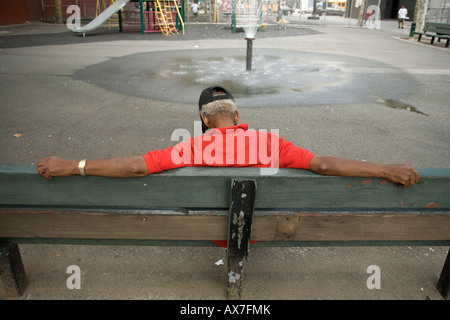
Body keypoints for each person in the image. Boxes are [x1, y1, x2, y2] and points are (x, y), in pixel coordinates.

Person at [37, 86, 419, 188]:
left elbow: (137, 166)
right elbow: (324, 164)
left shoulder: (192, 147)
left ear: (204, 122)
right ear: (238, 117)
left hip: (211, 230)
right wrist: (385, 169)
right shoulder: (271, 143)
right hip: (259, 229)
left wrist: (75, 165)